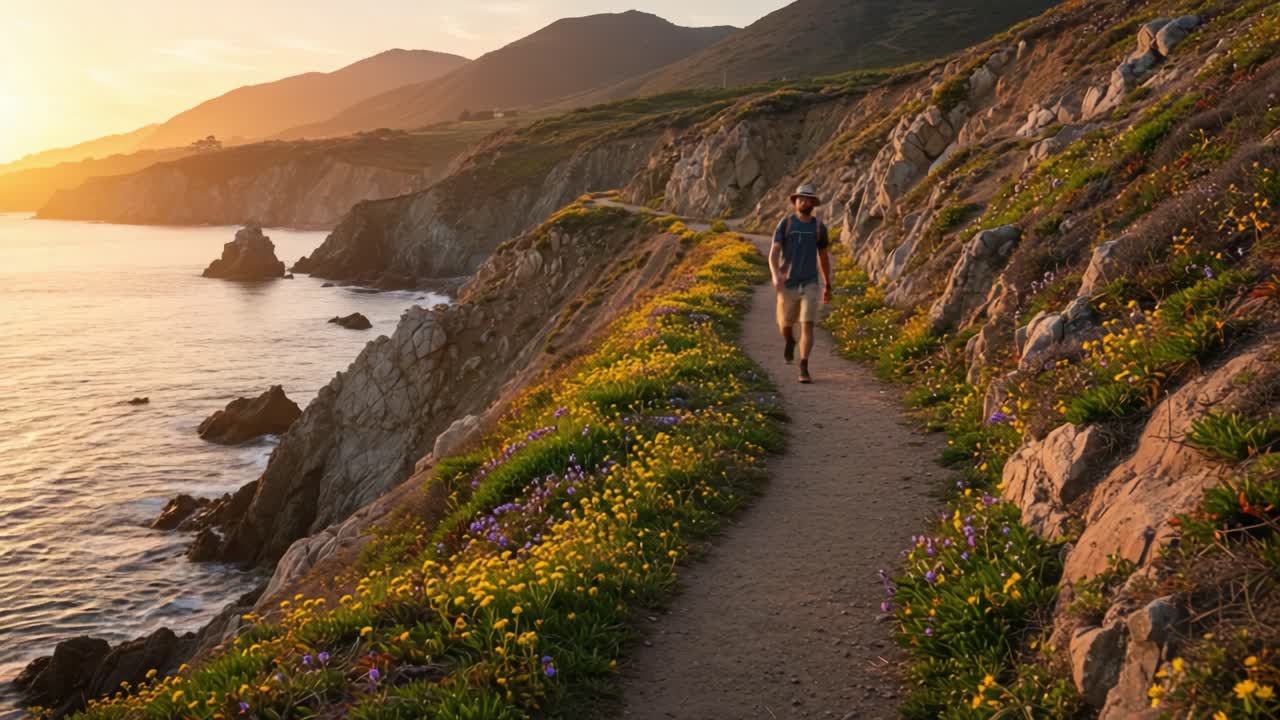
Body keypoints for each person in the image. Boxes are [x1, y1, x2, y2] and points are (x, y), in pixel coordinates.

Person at [769, 183, 832, 383]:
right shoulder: (785, 224)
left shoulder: (819, 228)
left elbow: (823, 257)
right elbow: (774, 253)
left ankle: (803, 366)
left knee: (808, 324)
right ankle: (789, 340)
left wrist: (827, 283)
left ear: (813, 203)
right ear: (795, 202)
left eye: (808, 199)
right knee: (785, 325)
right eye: (801, 199)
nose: (804, 202)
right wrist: (775, 274)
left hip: (810, 283)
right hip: (788, 283)